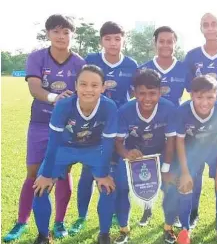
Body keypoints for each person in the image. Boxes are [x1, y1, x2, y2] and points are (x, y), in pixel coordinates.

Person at [3, 14, 85, 242]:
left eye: (66, 32)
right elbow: (34, 88)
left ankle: (59, 222)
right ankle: (21, 221)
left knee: (63, 172)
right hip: (40, 122)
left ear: (72, 35)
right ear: (48, 33)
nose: (61, 36)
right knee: (33, 173)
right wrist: (54, 97)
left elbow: (84, 91)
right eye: (56, 31)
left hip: (67, 126)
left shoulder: (79, 62)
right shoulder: (37, 57)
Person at [32, 65, 118, 244]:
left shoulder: (109, 107)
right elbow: (54, 142)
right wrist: (47, 175)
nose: (88, 89)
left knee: (108, 187)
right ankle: (43, 235)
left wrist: (103, 174)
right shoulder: (64, 105)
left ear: (103, 88)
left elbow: (108, 142)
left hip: (94, 149)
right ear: (76, 85)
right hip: (64, 148)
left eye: (95, 85)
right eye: (83, 84)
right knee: (40, 188)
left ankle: (104, 234)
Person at [70, 21, 138, 236]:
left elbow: (134, 93)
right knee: (88, 171)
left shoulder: (131, 64)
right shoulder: (91, 60)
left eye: (117, 38)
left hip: (119, 128)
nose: (112, 43)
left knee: (118, 172)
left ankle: (116, 212)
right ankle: (81, 216)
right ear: (101, 41)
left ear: (123, 40)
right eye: (108, 38)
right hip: (95, 124)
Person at [182, 12, 217, 229]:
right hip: (197, 121)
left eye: (214, 24)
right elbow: (190, 87)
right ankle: (192, 214)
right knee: (194, 173)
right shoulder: (192, 55)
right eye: (206, 24)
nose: (210, 27)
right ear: (201, 28)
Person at [113, 68, 178, 244]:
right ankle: (123, 229)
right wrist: (127, 153)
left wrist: (166, 167)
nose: (147, 98)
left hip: (161, 153)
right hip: (134, 156)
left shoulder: (169, 108)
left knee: (171, 186)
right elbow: (118, 142)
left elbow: (172, 140)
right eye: (142, 93)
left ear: (160, 92)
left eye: (152, 93)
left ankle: (169, 228)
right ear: (134, 92)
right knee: (122, 188)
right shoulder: (125, 111)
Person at [137, 26, 187, 226]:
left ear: (175, 43)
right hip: (147, 127)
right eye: (162, 41)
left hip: (172, 128)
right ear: (155, 43)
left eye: (170, 41)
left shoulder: (183, 68)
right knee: (147, 170)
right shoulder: (144, 68)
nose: (166, 45)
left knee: (170, 172)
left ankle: (171, 214)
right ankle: (147, 210)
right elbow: (137, 96)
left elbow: (196, 92)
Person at [175, 75, 217, 244]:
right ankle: (185, 229)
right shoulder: (183, 111)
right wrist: (184, 172)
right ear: (191, 95)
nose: (204, 102)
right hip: (192, 150)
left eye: (210, 97)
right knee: (186, 185)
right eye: (199, 97)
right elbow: (179, 141)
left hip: (214, 150)